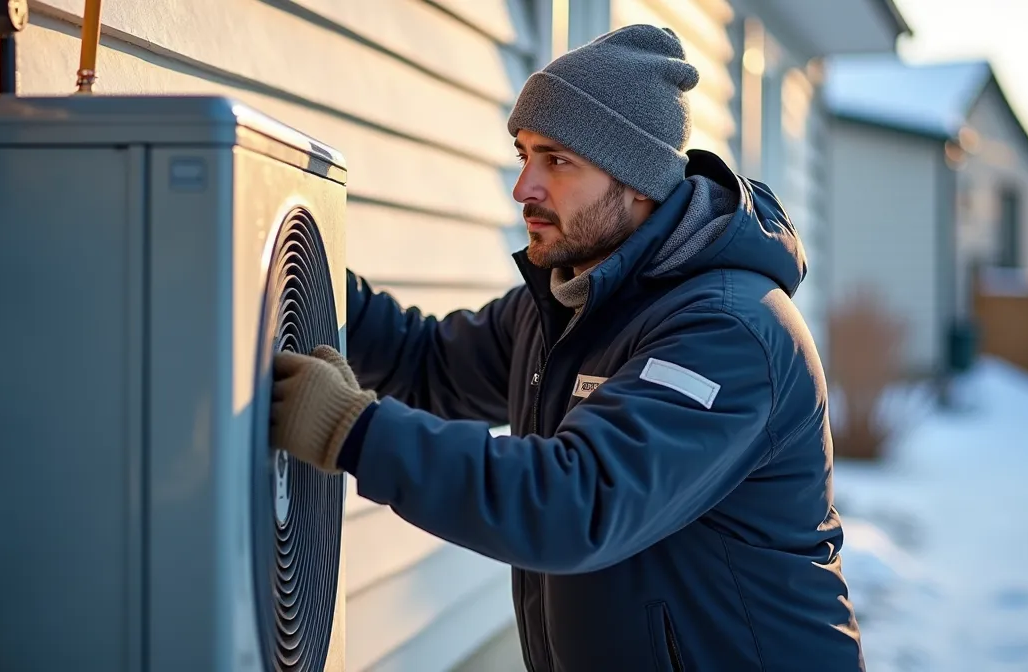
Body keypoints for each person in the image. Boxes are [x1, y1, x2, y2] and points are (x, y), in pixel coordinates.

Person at [269, 24, 863, 672]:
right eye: (524, 153)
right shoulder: (568, 306)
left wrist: (349, 431)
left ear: (637, 179)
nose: (524, 186)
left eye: (556, 160)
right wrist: (288, 274)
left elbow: (576, 503)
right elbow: (427, 361)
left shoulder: (728, 332)